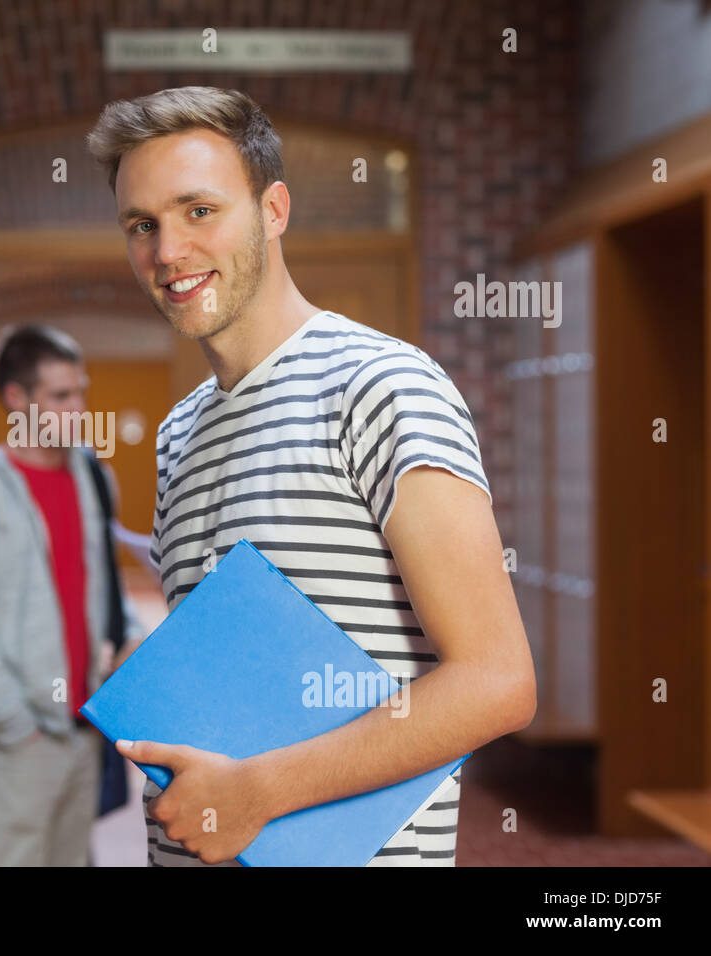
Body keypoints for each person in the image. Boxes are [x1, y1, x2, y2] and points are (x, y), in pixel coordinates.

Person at [85, 87, 537, 866]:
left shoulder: (385, 386)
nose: (168, 253)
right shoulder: (179, 432)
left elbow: (498, 681)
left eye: (200, 211)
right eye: (142, 225)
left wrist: (259, 791)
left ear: (274, 209)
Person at [0, 325, 145, 866]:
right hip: (16, 741)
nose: (77, 409)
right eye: (60, 397)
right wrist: (14, 724)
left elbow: (103, 587)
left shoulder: (94, 480)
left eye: (80, 393)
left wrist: (129, 636)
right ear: (16, 399)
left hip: (83, 727)